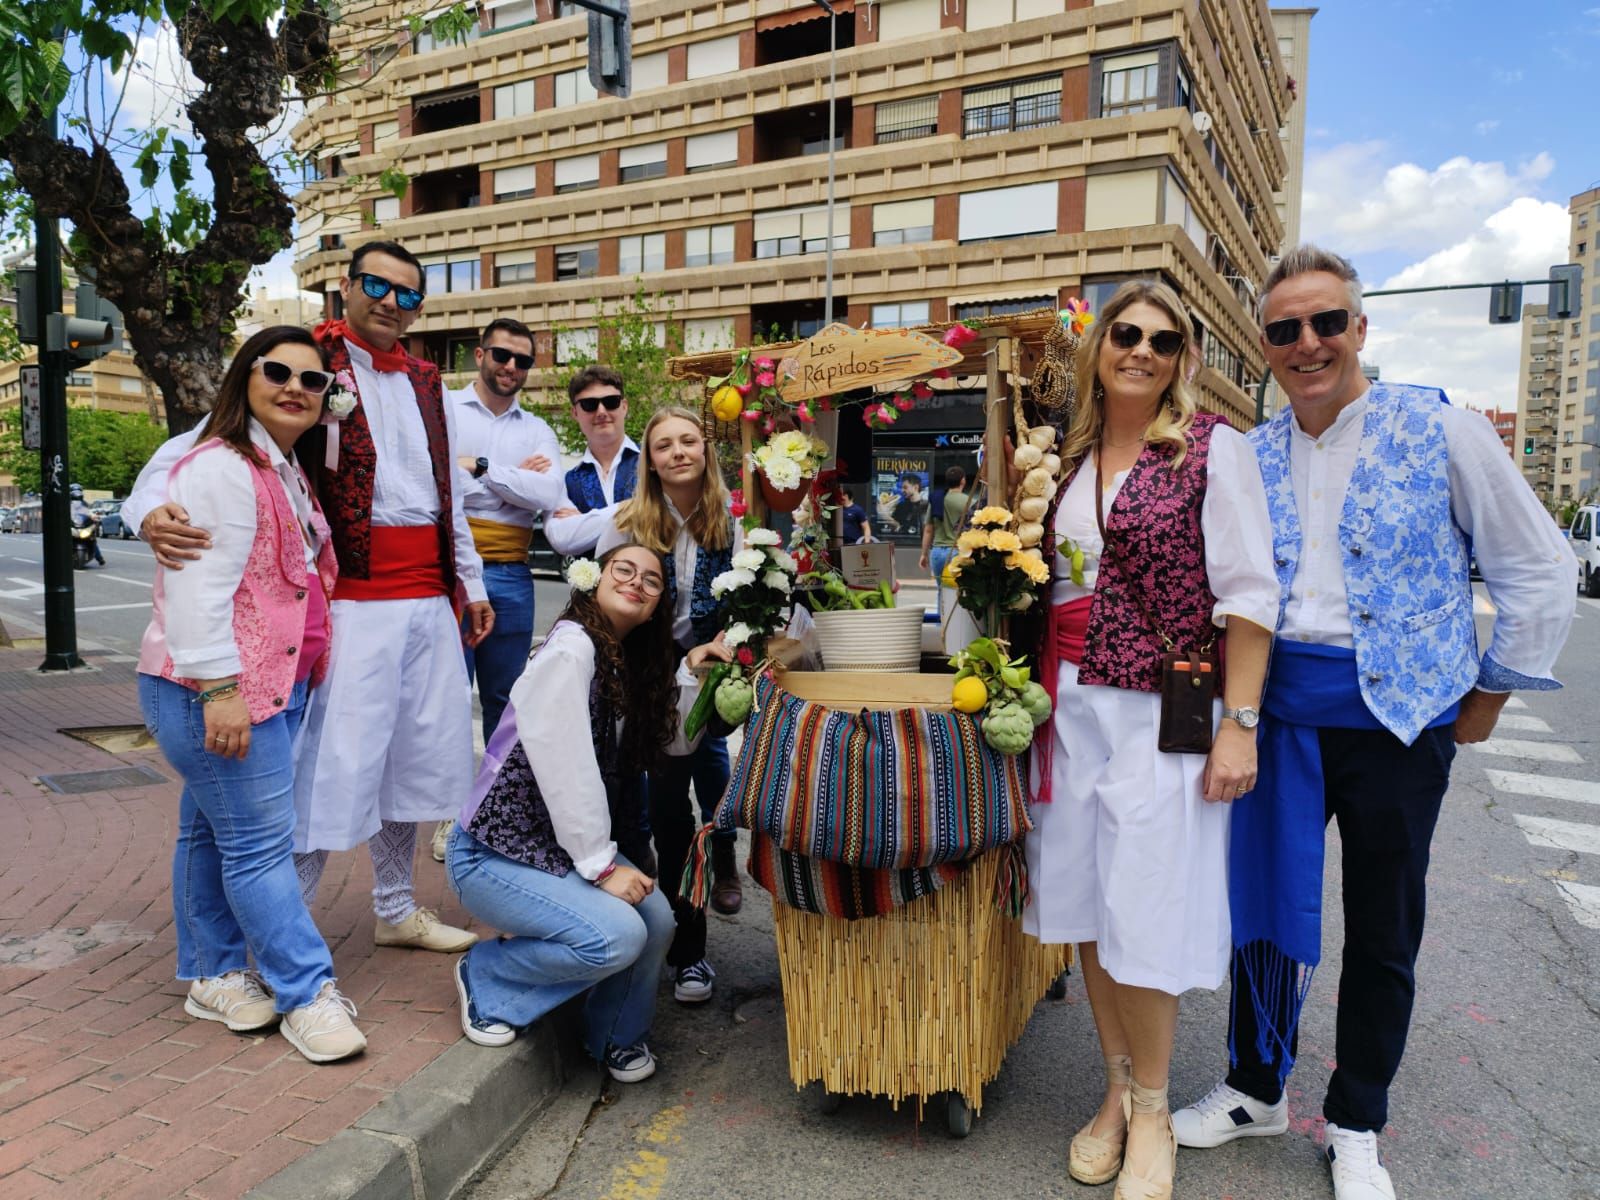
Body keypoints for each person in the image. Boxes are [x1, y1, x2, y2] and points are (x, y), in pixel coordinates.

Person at [1172, 247, 1576, 1200]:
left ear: (1360, 327)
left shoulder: (1442, 429)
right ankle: (1256, 1085)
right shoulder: (1248, 452)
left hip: (1400, 720)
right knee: (1263, 908)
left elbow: (1537, 566)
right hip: (1274, 713)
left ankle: (1357, 1117)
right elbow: (1218, 594)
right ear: (1265, 345)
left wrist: (1489, 694)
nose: (1306, 344)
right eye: (1284, 329)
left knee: (1385, 920)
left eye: (1325, 322)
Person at [126, 240, 489, 954]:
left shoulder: (425, 379)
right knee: (332, 764)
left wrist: (469, 580)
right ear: (347, 289)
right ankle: (283, 930)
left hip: (427, 599)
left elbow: (448, 494)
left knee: (411, 760)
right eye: (376, 286)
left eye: (408, 294)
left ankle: (394, 907)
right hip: (348, 597)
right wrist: (146, 509)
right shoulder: (307, 363)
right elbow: (189, 447)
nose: (391, 303)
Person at [1024, 280, 1278, 1200]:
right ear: (1098, 347)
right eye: (1125, 334)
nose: (1141, 350)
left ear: (1184, 360)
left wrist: (1238, 728)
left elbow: (1250, 595)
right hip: (1070, 705)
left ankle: (1158, 1111)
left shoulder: (1216, 451)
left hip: (1162, 709)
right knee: (1092, 906)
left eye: (1163, 342)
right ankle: (1117, 1092)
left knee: (1147, 906)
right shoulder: (1068, 457)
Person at [136, 325, 365, 1064]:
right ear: (246, 378)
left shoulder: (280, 465)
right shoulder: (224, 468)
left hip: (265, 684)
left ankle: (210, 973)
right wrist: (221, 692)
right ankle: (306, 992)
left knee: (209, 832)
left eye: (314, 379)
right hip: (221, 689)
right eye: (278, 371)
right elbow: (198, 589)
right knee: (259, 846)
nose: (296, 387)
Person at [447, 543, 730, 1081]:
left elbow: (673, 747)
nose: (637, 583)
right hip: (491, 855)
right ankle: (488, 977)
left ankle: (615, 1035)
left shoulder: (626, 665)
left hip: (554, 853)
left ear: (656, 608)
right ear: (595, 581)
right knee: (616, 935)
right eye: (624, 570)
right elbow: (564, 763)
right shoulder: (571, 649)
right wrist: (602, 866)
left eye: (651, 581)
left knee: (658, 918)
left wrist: (691, 673)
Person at [598, 406, 744, 982]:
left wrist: (725, 647)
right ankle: (689, 952)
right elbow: (608, 602)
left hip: (713, 676)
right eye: (664, 445)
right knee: (667, 816)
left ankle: (721, 857)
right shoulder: (630, 520)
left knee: (715, 789)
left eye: (689, 441)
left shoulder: (733, 520)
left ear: (705, 451)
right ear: (650, 461)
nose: (678, 452)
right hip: (652, 682)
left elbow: (755, 601)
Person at [430, 318, 563, 863]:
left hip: (510, 570)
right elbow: (440, 479)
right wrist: (510, 477)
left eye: (523, 361)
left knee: (506, 699)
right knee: (447, 697)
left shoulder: (537, 428)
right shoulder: (444, 409)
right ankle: (447, 814)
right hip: (450, 569)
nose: (511, 367)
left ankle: (494, 809)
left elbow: (547, 491)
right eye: (502, 356)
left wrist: (481, 465)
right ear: (481, 354)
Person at [544, 365, 640, 558]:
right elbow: (562, 539)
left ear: (624, 406)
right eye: (589, 404)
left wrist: (586, 522)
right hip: (592, 589)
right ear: (574, 413)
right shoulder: (566, 481)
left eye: (611, 402)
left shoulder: (654, 462)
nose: (601, 411)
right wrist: (636, 507)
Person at [921, 465, 970, 609]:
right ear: (963, 481)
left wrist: (923, 554)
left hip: (936, 552)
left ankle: (942, 626)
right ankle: (955, 627)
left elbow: (928, 530)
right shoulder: (968, 501)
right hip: (957, 552)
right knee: (958, 591)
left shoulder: (937, 499)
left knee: (942, 591)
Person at [69, 484, 106, 567]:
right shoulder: (66, 504)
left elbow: (88, 512)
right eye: (75, 492)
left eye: (78, 492)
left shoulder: (85, 504)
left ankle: (99, 558)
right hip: (73, 526)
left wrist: (94, 517)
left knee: (92, 540)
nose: (77, 494)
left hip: (82, 526)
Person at [890, 471, 927, 537]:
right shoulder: (900, 506)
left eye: (905, 487)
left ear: (915, 487)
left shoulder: (926, 505)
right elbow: (893, 528)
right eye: (902, 487)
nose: (902, 490)